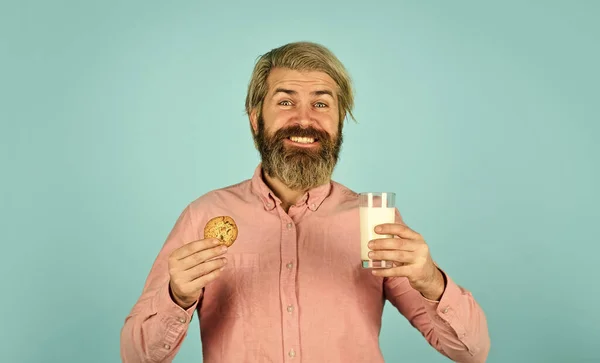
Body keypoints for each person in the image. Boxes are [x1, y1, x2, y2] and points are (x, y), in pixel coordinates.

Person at [120, 41, 490, 363]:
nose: (304, 120)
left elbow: (471, 352)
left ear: (339, 121)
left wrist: (430, 281)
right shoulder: (204, 215)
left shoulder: (373, 220)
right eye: (285, 101)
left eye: (321, 104)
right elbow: (136, 357)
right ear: (254, 119)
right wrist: (176, 296)